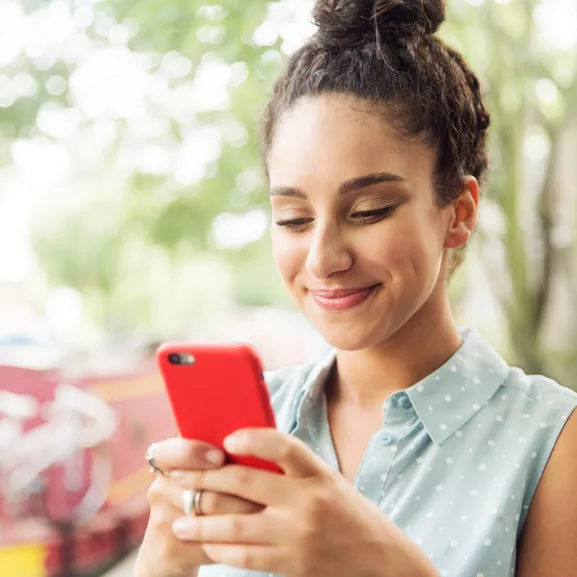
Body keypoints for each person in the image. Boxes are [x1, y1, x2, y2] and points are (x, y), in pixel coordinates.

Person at [135, 1, 577, 576]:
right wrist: (162, 560)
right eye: (293, 218)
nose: (322, 259)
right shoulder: (246, 428)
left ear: (458, 213)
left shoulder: (550, 443)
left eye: (368, 210)